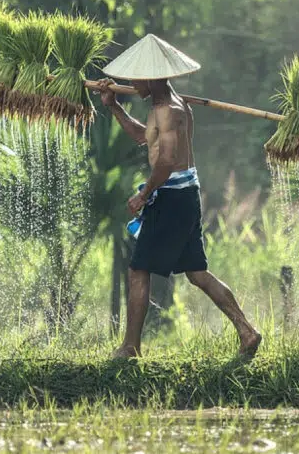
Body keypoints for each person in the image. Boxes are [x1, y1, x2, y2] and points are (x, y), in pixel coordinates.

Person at [95, 35, 262, 361]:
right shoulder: (170, 106)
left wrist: (144, 194)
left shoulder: (169, 110)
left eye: (135, 76)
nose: (131, 82)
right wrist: (113, 105)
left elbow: (167, 162)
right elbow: (145, 138)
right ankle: (247, 331)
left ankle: (130, 348)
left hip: (171, 197)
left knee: (138, 270)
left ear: (151, 77)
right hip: (184, 195)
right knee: (197, 273)